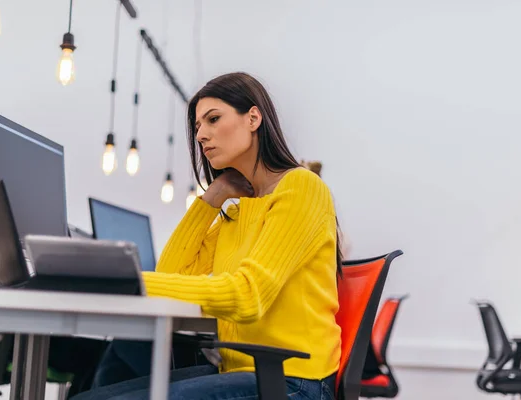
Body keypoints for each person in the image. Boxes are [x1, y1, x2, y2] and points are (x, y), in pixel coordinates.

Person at [73, 72, 342, 400]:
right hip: (244, 373)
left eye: (213, 119)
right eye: (198, 126)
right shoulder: (241, 207)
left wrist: (130, 282)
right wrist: (211, 200)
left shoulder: (301, 187)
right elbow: (171, 276)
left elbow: (247, 296)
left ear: (253, 118)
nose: (201, 134)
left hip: (293, 382)